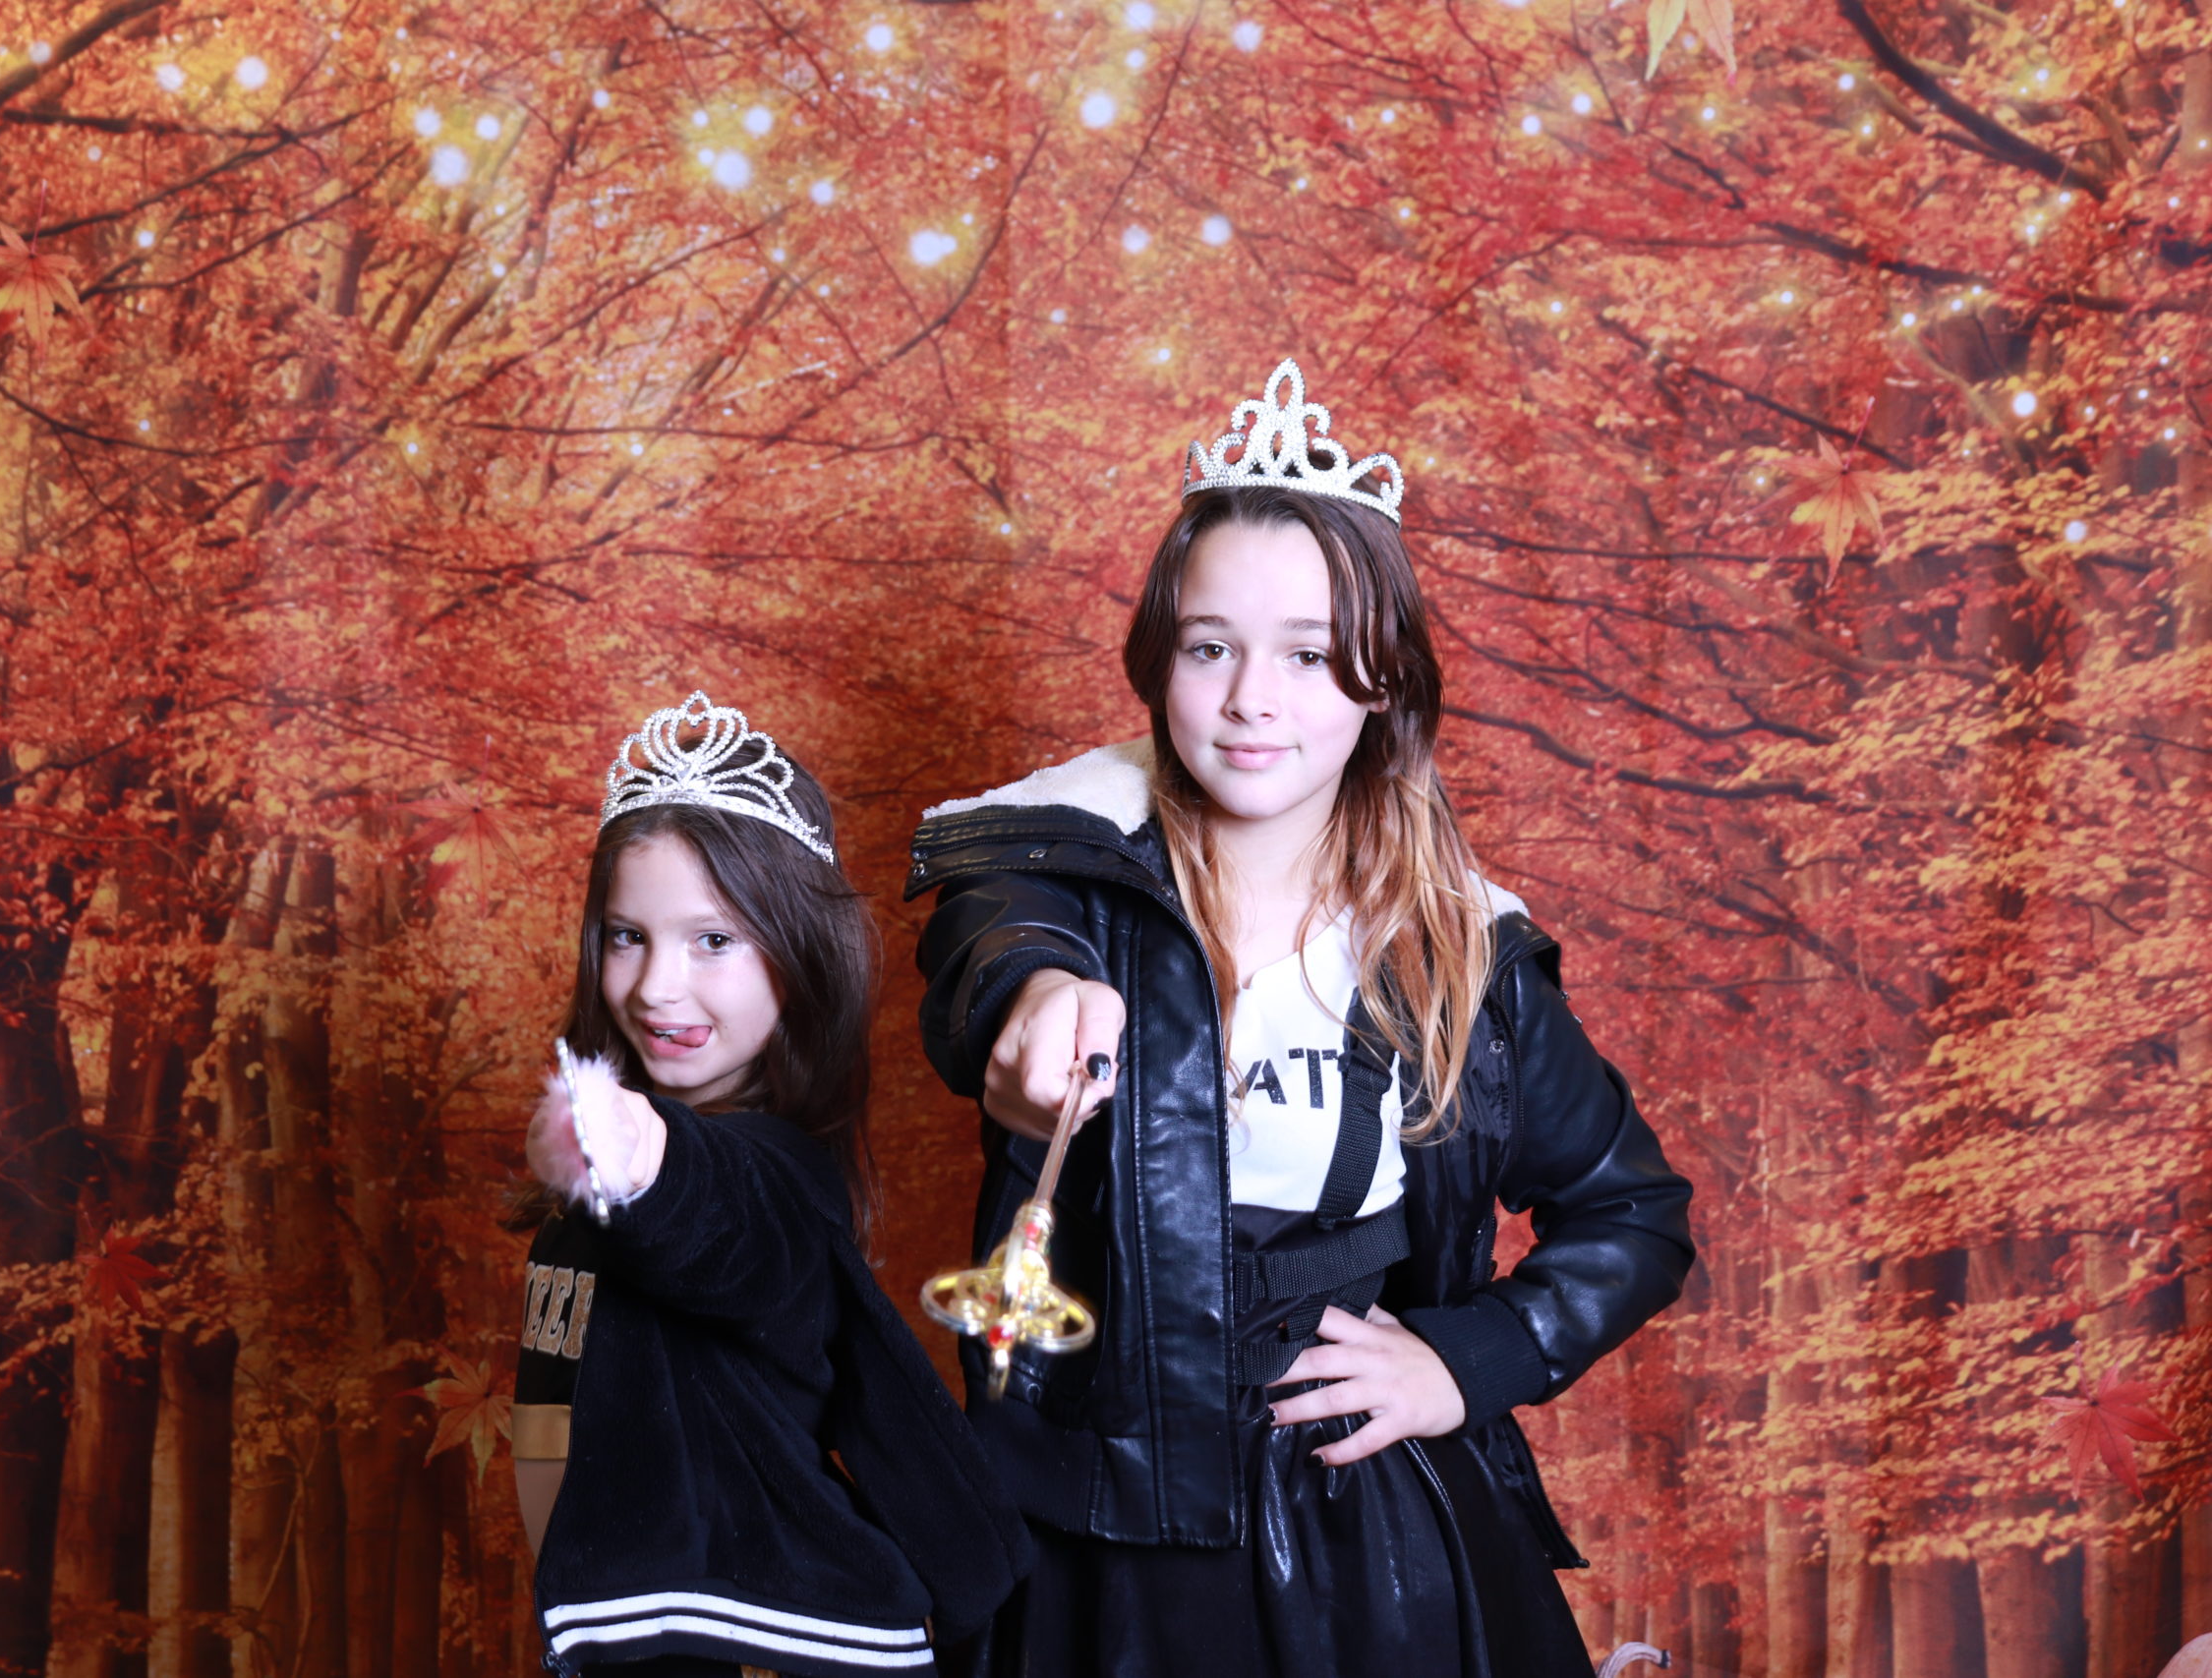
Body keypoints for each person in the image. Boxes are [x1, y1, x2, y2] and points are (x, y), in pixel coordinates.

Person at [906, 362, 1697, 1677]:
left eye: (1309, 654)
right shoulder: (1053, 867)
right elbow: (992, 951)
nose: (1251, 698)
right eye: (1210, 646)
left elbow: (1636, 1213)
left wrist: (1467, 1357)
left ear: (1382, 677)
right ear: (1159, 661)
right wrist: (1035, 1004)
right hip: (1097, 1528)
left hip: (1363, 1540)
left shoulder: (1460, 950)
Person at [511, 691, 1030, 1677]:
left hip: (776, 1643)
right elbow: (550, 1444)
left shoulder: (775, 1176)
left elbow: (713, 1214)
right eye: (627, 935)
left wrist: (629, 1145)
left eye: (714, 940)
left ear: (798, 955)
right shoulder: (580, 1220)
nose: (657, 985)